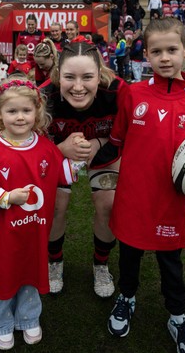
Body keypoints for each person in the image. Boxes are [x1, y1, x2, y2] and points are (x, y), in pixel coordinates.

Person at [97, 17, 185, 353]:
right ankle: (127, 297)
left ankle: (177, 316)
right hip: (132, 198)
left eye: (172, 49)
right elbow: (116, 141)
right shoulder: (134, 93)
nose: (164, 57)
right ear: (147, 54)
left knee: (170, 263)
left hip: (171, 203)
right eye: (156, 51)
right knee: (129, 255)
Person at [0, 77, 87, 350]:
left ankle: (28, 318)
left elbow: (59, 172)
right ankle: (2, 323)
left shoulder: (44, 145)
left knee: (32, 271)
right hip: (3, 232)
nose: (20, 117)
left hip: (34, 229)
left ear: (37, 112)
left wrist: (79, 156)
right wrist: (6, 197)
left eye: (26, 111)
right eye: (12, 111)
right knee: (5, 272)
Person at [39, 39, 128, 297]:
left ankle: (101, 264)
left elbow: (132, 136)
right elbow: (27, 147)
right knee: (54, 206)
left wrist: (101, 143)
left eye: (87, 77)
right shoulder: (43, 96)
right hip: (57, 153)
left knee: (109, 205)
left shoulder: (119, 91)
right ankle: (54, 261)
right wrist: (58, 150)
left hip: (105, 149)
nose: (78, 87)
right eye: (69, 77)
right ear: (58, 75)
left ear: (99, 74)